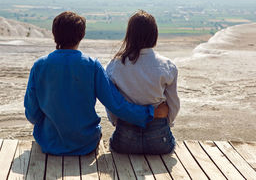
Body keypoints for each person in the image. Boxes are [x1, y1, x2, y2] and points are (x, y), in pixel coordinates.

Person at [24, 11, 166, 155]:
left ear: (54, 34)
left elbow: (32, 113)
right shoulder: (92, 66)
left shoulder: (39, 66)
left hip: (49, 142)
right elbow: (116, 105)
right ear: (81, 35)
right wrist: (150, 112)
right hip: (85, 143)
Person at [106, 10, 180, 154]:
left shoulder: (115, 65)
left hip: (124, 139)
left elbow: (111, 105)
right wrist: (167, 123)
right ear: (154, 35)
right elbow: (174, 104)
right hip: (159, 139)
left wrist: (116, 122)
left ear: (130, 35)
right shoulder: (167, 65)